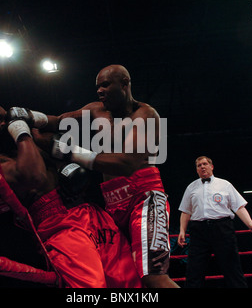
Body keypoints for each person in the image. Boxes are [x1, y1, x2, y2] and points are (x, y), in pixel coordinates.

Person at [20, 64, 178, 288]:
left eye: (105, 85)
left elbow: (126, 163)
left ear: (124, 84)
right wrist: (28, 118)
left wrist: (70, 152)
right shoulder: (96, 111)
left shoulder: (145, 115)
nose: (99, 91)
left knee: (153, 278)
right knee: (124, 277)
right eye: (97, 86)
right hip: (113, 205)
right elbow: (58, 120)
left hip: (144, 199)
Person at [0, 104, 142, 288]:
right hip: (58, 224)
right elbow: (35, 176)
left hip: (91, 213)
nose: (4, 122)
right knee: (90, 287)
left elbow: (59, 137)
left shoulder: (31, 143)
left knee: (128, 282)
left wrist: (33, 122)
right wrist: (21, 132)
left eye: (5, 117)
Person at [177, 156, 252, 288]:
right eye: (199, 165)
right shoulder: (191, 187)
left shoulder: (225, 184)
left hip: (222, 228)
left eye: (205, 164)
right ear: (196, 169)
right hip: (198, 231)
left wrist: (250, 224)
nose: (202, 167)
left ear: (211, 166)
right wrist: (182, 231)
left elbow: (239, 207)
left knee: (232, 268)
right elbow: (185, 212)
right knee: (194, 269)